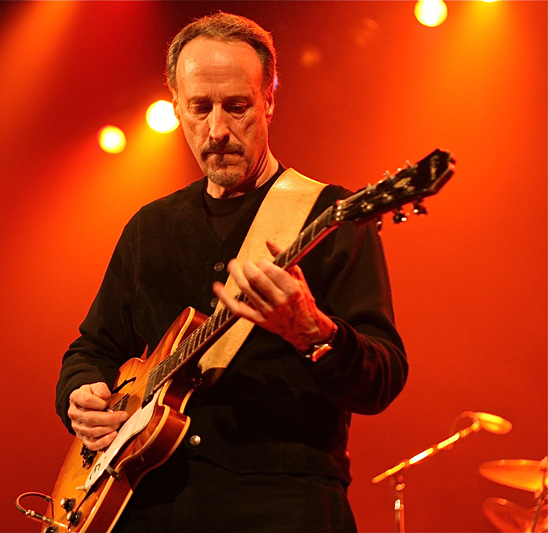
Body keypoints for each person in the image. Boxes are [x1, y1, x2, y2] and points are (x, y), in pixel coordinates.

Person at [55, 12, 407, 533]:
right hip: (146, 507)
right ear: (176, 106)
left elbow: (384, 378)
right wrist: (80, 396)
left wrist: (314, 333)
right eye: (199, 108)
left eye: (236, 107)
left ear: (268, 101)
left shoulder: (333, 216)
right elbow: (91, 349)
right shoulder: (149, 228)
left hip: (283, 509)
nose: (217, 130)